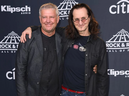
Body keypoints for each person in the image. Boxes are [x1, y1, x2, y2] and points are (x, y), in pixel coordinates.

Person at [20, 3, 108, 96]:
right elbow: (48, 26)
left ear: (89, 18)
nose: (80, 22)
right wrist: (30, 28)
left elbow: (103, 77)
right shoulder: (66, 34)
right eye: (76, 20)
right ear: (72, 21)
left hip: (86, 93)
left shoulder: (99, 44)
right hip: (64, 92)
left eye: (83, 18)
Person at [16, 3, 62, 96]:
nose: (48, 21)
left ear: (58, 19)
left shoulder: (63, 38)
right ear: (40, 19)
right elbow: (20, 72)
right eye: (44, 17)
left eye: (51, 17)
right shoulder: (27, 39)